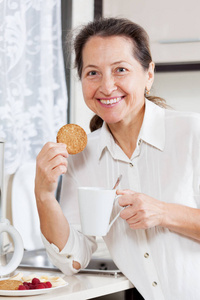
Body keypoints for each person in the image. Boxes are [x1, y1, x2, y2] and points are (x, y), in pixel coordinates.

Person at [35, 17, 200, 300]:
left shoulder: (192, 133)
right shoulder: (81, 156)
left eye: (120, 70)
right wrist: (44, 195)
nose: (107, 87)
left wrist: (163, 213)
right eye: (93, 73)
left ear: (149, 74)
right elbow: (73, 259)